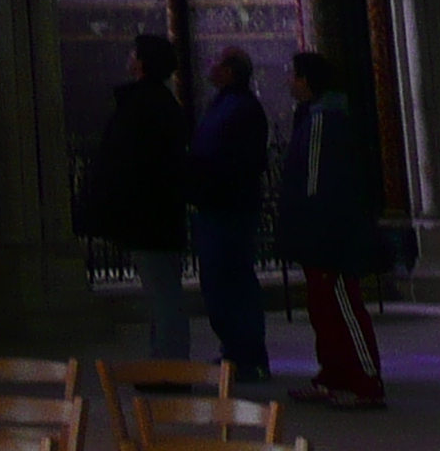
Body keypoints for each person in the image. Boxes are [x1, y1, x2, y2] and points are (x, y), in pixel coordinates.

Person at [277, 49, 388, 410]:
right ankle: (333, 376)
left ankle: (366, 381)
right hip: (319, 232)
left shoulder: (325, 121)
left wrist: (314, 230)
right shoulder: (313, 117)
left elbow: (315, 184)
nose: (289, 81)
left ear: (307, 81)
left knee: (343, 304)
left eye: (293, 74)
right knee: (323, 310)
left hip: (329, 233)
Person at [77, 32, 194, 358]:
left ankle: (170, 362)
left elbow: (130, 162)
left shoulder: (145, 106)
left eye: (133, 53)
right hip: (155, 213)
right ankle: (166, 358)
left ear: (141, 62)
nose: (128, 58)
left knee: (163, 294)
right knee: (162, 292)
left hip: (149, 215)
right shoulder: (158, 104)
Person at [184, 45, 272, 382]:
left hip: (230, 208)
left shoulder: (242, 109)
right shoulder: (223, 105)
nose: (210, 66)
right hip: (215, 206)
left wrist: (208, 180)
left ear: (231, 71)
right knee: (218, 283)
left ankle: (248, 355)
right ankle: (233, 350)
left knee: (233, 281)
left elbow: (242, 162)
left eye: (217, 62)